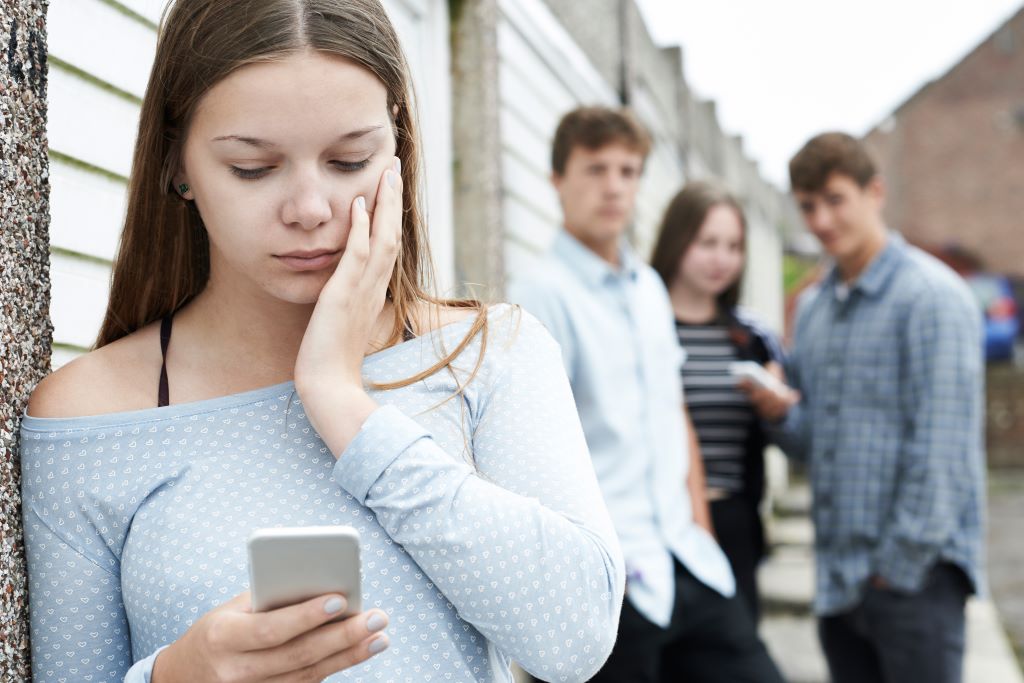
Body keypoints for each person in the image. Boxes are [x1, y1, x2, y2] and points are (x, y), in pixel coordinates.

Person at [19, 2, 625, 682]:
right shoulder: (90, 418)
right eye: (253, 167)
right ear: (177, 164)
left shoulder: (489, 355)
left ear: (397, 148)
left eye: (348, 160)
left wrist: (344, 404)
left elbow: (576, 636)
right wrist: (175, 675)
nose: (310, 208)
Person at [509, 107, 784, 683]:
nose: (613, 186)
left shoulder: (651, 288)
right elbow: (529, 451)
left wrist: (702, 528)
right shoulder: (539, 295)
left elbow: (672, 412)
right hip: (610, 578)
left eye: (628, 170)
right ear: (558, 180)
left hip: (686, 556)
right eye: (595, 168)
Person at [746, 132, 985, 683]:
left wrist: (894, 572)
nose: (822, 220)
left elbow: (942, 452)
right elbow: (813, 445)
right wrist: (778, 412)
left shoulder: (933, 298)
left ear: (873, 192)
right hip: (838, 584)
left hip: (914, 584)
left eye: (835, 200)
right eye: (808, 206)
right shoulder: (813, 309)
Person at [649, 181, 786, 623]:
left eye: (733, 246)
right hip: (655, 523)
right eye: (708, 242)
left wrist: (778, 407)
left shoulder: (751, 338)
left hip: (732, 521)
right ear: (677, 240)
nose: (721, 258)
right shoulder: (642, 326)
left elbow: (784, 430)